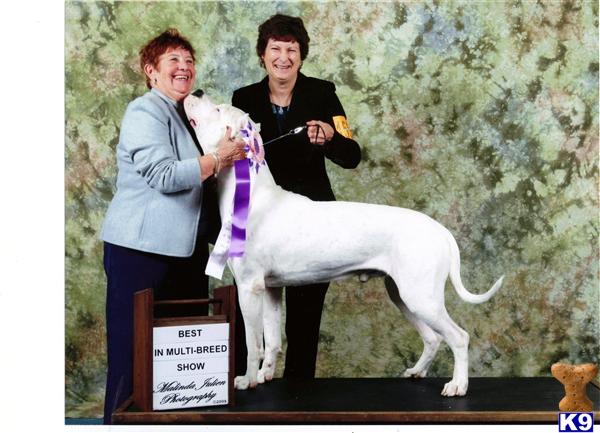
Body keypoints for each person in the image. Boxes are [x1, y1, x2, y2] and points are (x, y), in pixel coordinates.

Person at [100, 29, 246, 423]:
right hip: (140, 251)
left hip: (185, 253)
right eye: (173, 61)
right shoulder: (145, 111)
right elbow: (164, 175)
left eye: (189, 60)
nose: (184, 68)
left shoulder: (188, 116)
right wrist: (218, 159)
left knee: (179, 364)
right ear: (151, 71)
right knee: (132, 359)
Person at [232, 14, 361, 379]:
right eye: (276, 49)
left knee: (304, 321)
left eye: (292, 49)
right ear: (263, 55)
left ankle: (299, 397)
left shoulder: (323, 93)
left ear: (302, 56)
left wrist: (332, 139)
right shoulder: (243, 99)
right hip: (259, 221)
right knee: (254, 303)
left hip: (311, 224)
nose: (284, 57)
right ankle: (257, 383)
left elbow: (352, 155)